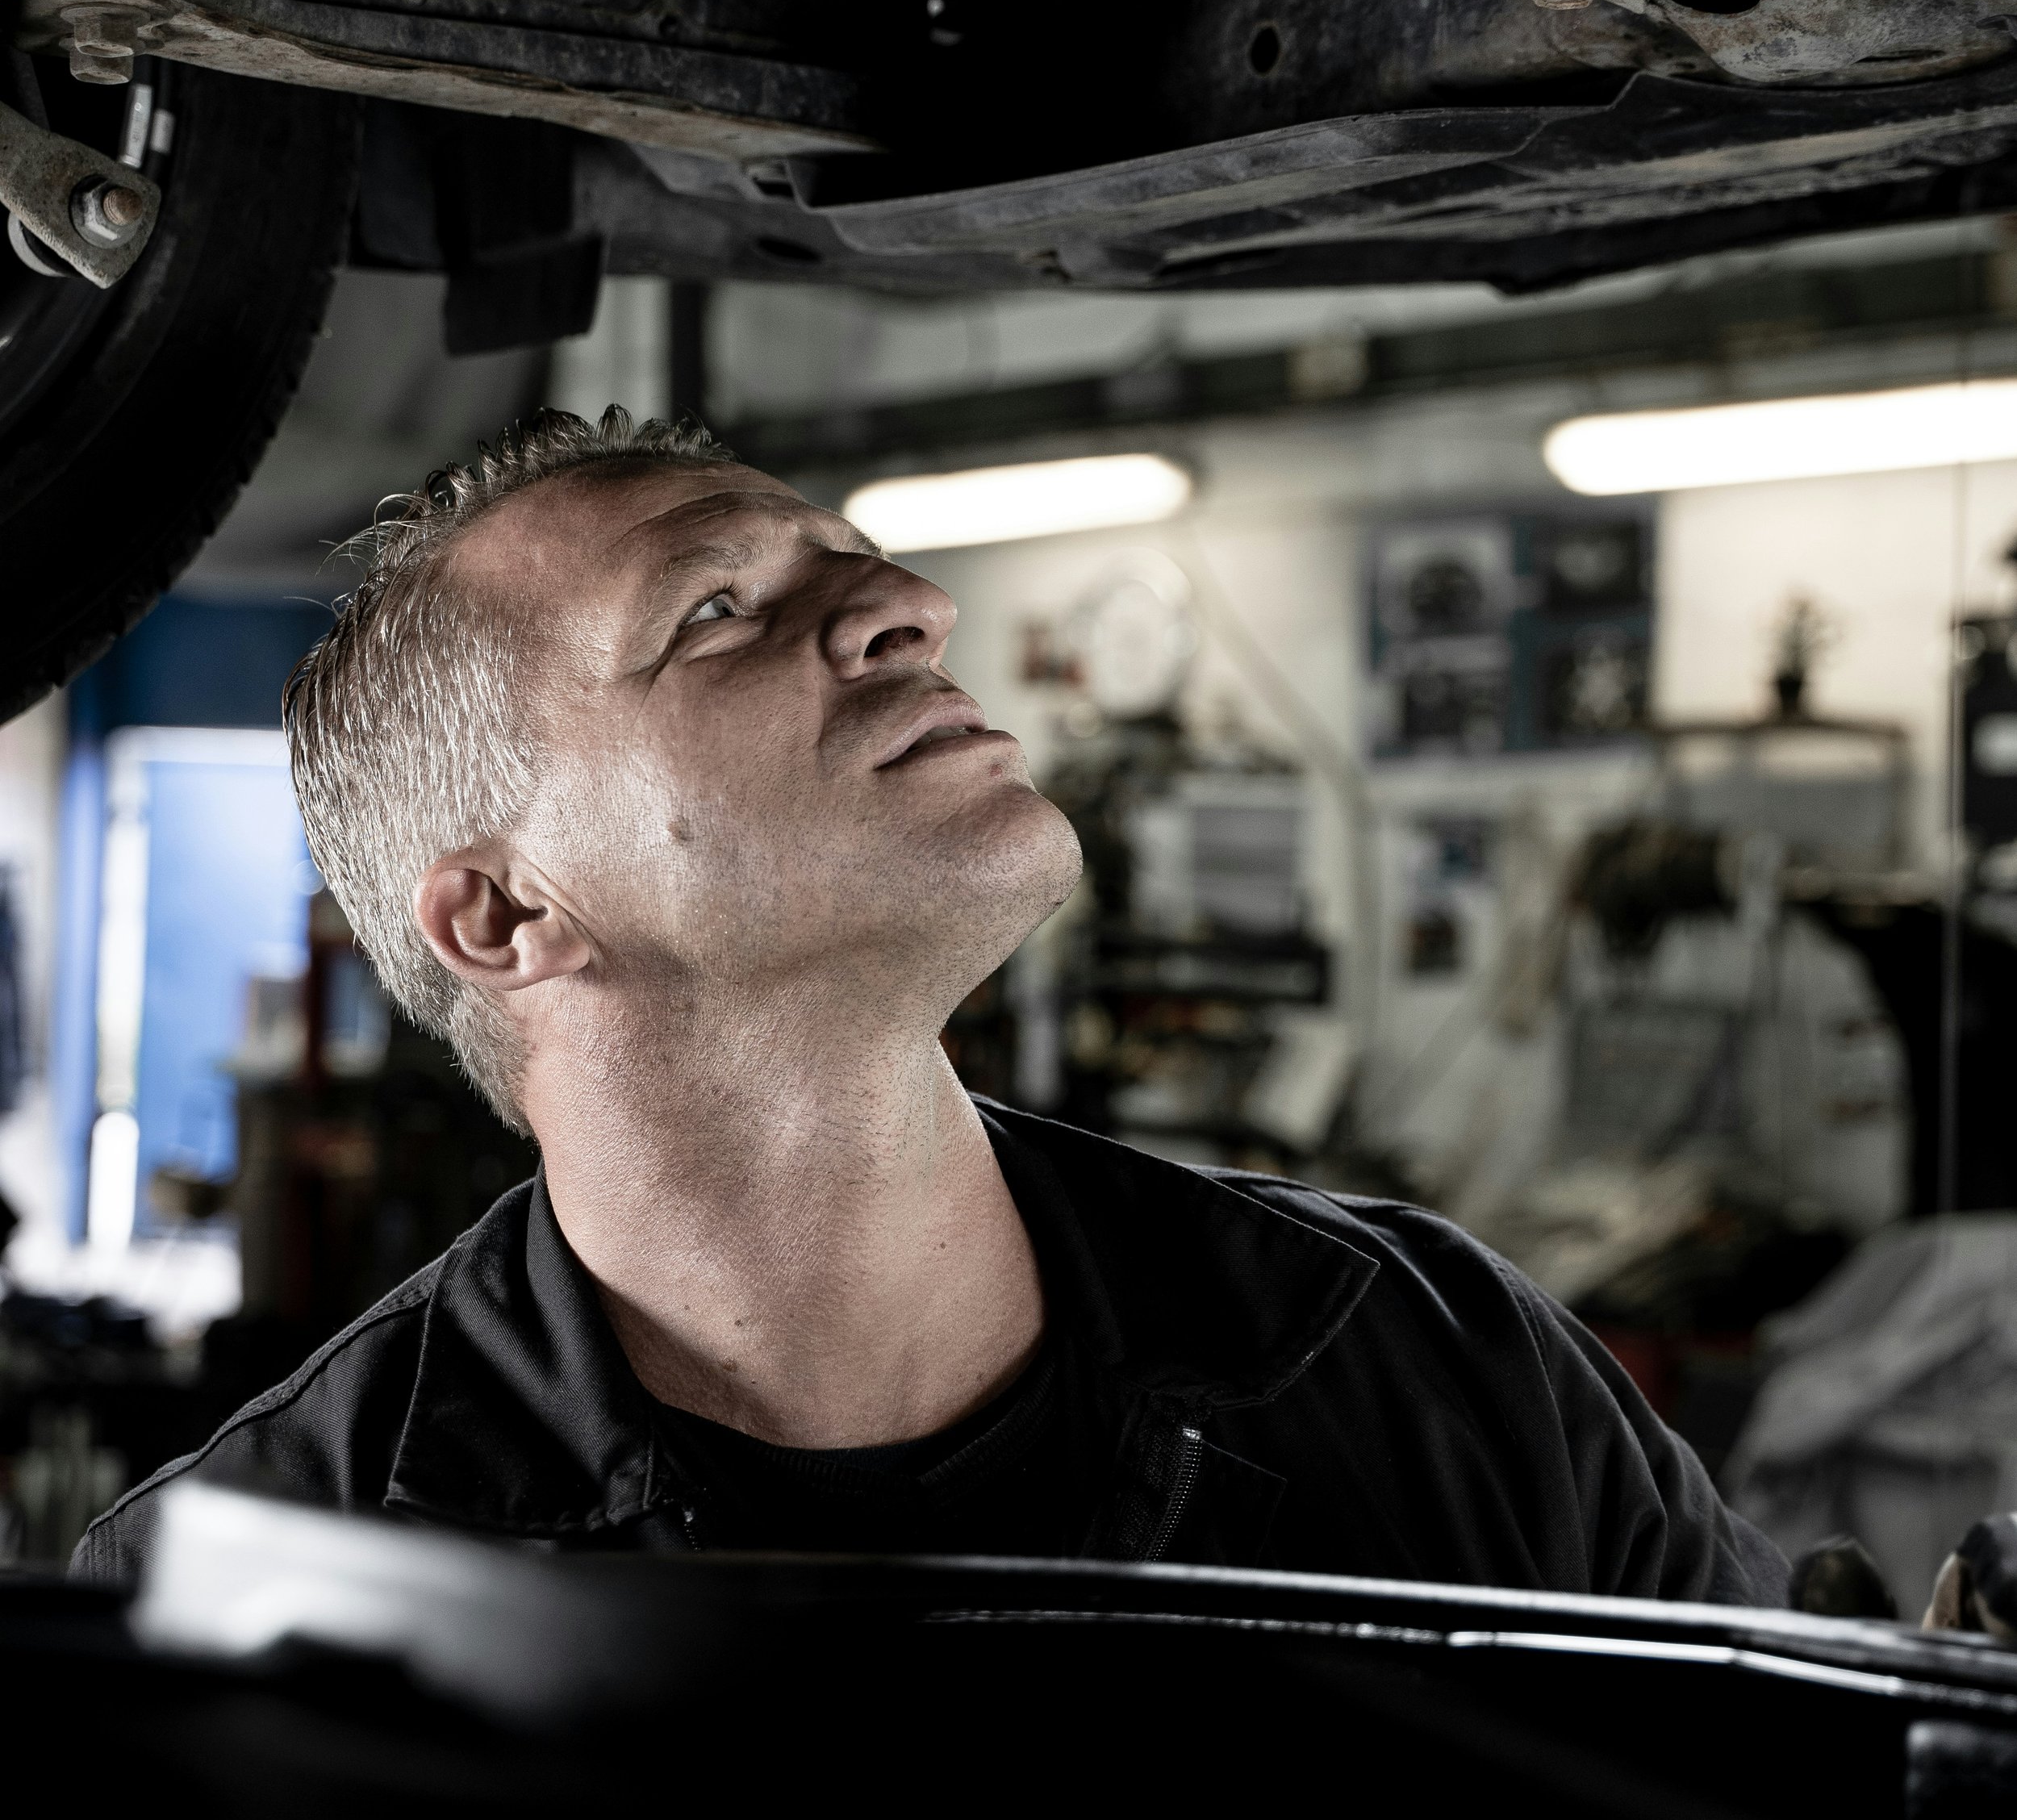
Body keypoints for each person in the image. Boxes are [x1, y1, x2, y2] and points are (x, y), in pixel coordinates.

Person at [75, 408, 1785, 1604]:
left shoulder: (1432, 1368)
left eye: (863, 565)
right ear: (509, 913)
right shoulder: (248, 1595)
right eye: (717, 608)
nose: (909, 607)